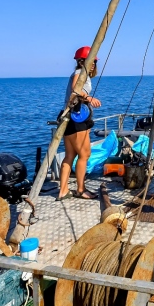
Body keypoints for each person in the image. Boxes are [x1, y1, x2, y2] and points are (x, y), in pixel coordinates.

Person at [57, 46, 102, 201]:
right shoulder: (79, 73)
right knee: (85, 154)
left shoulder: (82, 74)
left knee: (70, 155)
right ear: (82, 61)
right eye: (92, 61)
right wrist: (90, 98)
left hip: (68, 118)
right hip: (77, 120)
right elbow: (75, 90)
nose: (94, 64)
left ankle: (63, 190)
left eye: (95, 62)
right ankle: (81, 189)